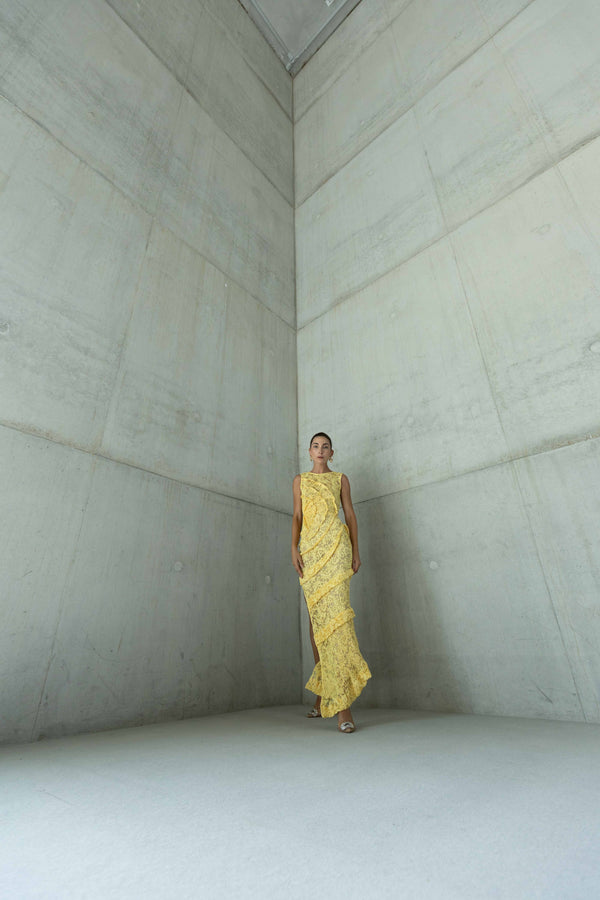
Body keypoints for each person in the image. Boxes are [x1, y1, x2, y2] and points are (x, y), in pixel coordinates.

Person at [291, 432, 372, 733]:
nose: (320, 450)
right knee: (317, 624)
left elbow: (350, 514)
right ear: (309, 452)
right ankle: (324, 693)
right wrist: (293, 549)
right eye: (316, 446)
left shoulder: (340, 479)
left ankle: (343, 705)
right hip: (310, 553)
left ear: (332, 452)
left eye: (325, 447)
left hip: (337, 549)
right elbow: (297, 516)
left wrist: (356, 551)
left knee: (337, 623)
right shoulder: (300, 480)